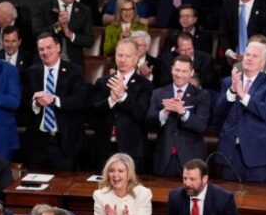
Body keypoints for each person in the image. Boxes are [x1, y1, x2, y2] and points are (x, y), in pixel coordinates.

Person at [215, 41, 266, 183]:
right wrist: (233, 91)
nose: (249, 58)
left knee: (259, 200)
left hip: (258, 155)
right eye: (247, 55)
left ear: (263, 63)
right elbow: (218, 113)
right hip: (230, 153)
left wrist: (244, 96)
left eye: (254, 56)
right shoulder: (228, 82)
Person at [22, 33, 87, 171]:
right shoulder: (31, 72)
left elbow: (80, 101)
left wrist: (54, 100)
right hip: (38, 142)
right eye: (41, 49)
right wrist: (36, 104)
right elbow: (23, 103)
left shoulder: (74, 71)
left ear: (58, 47)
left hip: (64, 141)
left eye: (49, 47)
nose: (45, 52)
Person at [90, 39, 153, 172]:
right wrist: (111, 100)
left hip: (132, 150)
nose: (123, 59)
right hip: (104, 149)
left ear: (136, 58)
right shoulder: (103, 82)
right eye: (120, 55)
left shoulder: (145, 85)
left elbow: (142, 114)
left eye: (127, 56)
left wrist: (123, 97)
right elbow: (92, 112)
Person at [147, 55, 211, 179]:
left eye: (184, 71)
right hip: (164, 157)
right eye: (177, 70)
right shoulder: (158, 93)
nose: (179, 75)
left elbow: (201, 125)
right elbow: (149, 121)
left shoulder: (201, 95)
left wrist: (182, 112)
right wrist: (165, 112)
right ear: (171, 70)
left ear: (191, 73)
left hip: (191, 158)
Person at [32, 0, 95, 68]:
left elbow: (89, 41)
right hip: (46, 60)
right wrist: (58, 26)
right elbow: (37, 33)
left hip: (73, 63)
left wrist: (70, 34)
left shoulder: (84, 10)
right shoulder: (43, 6)